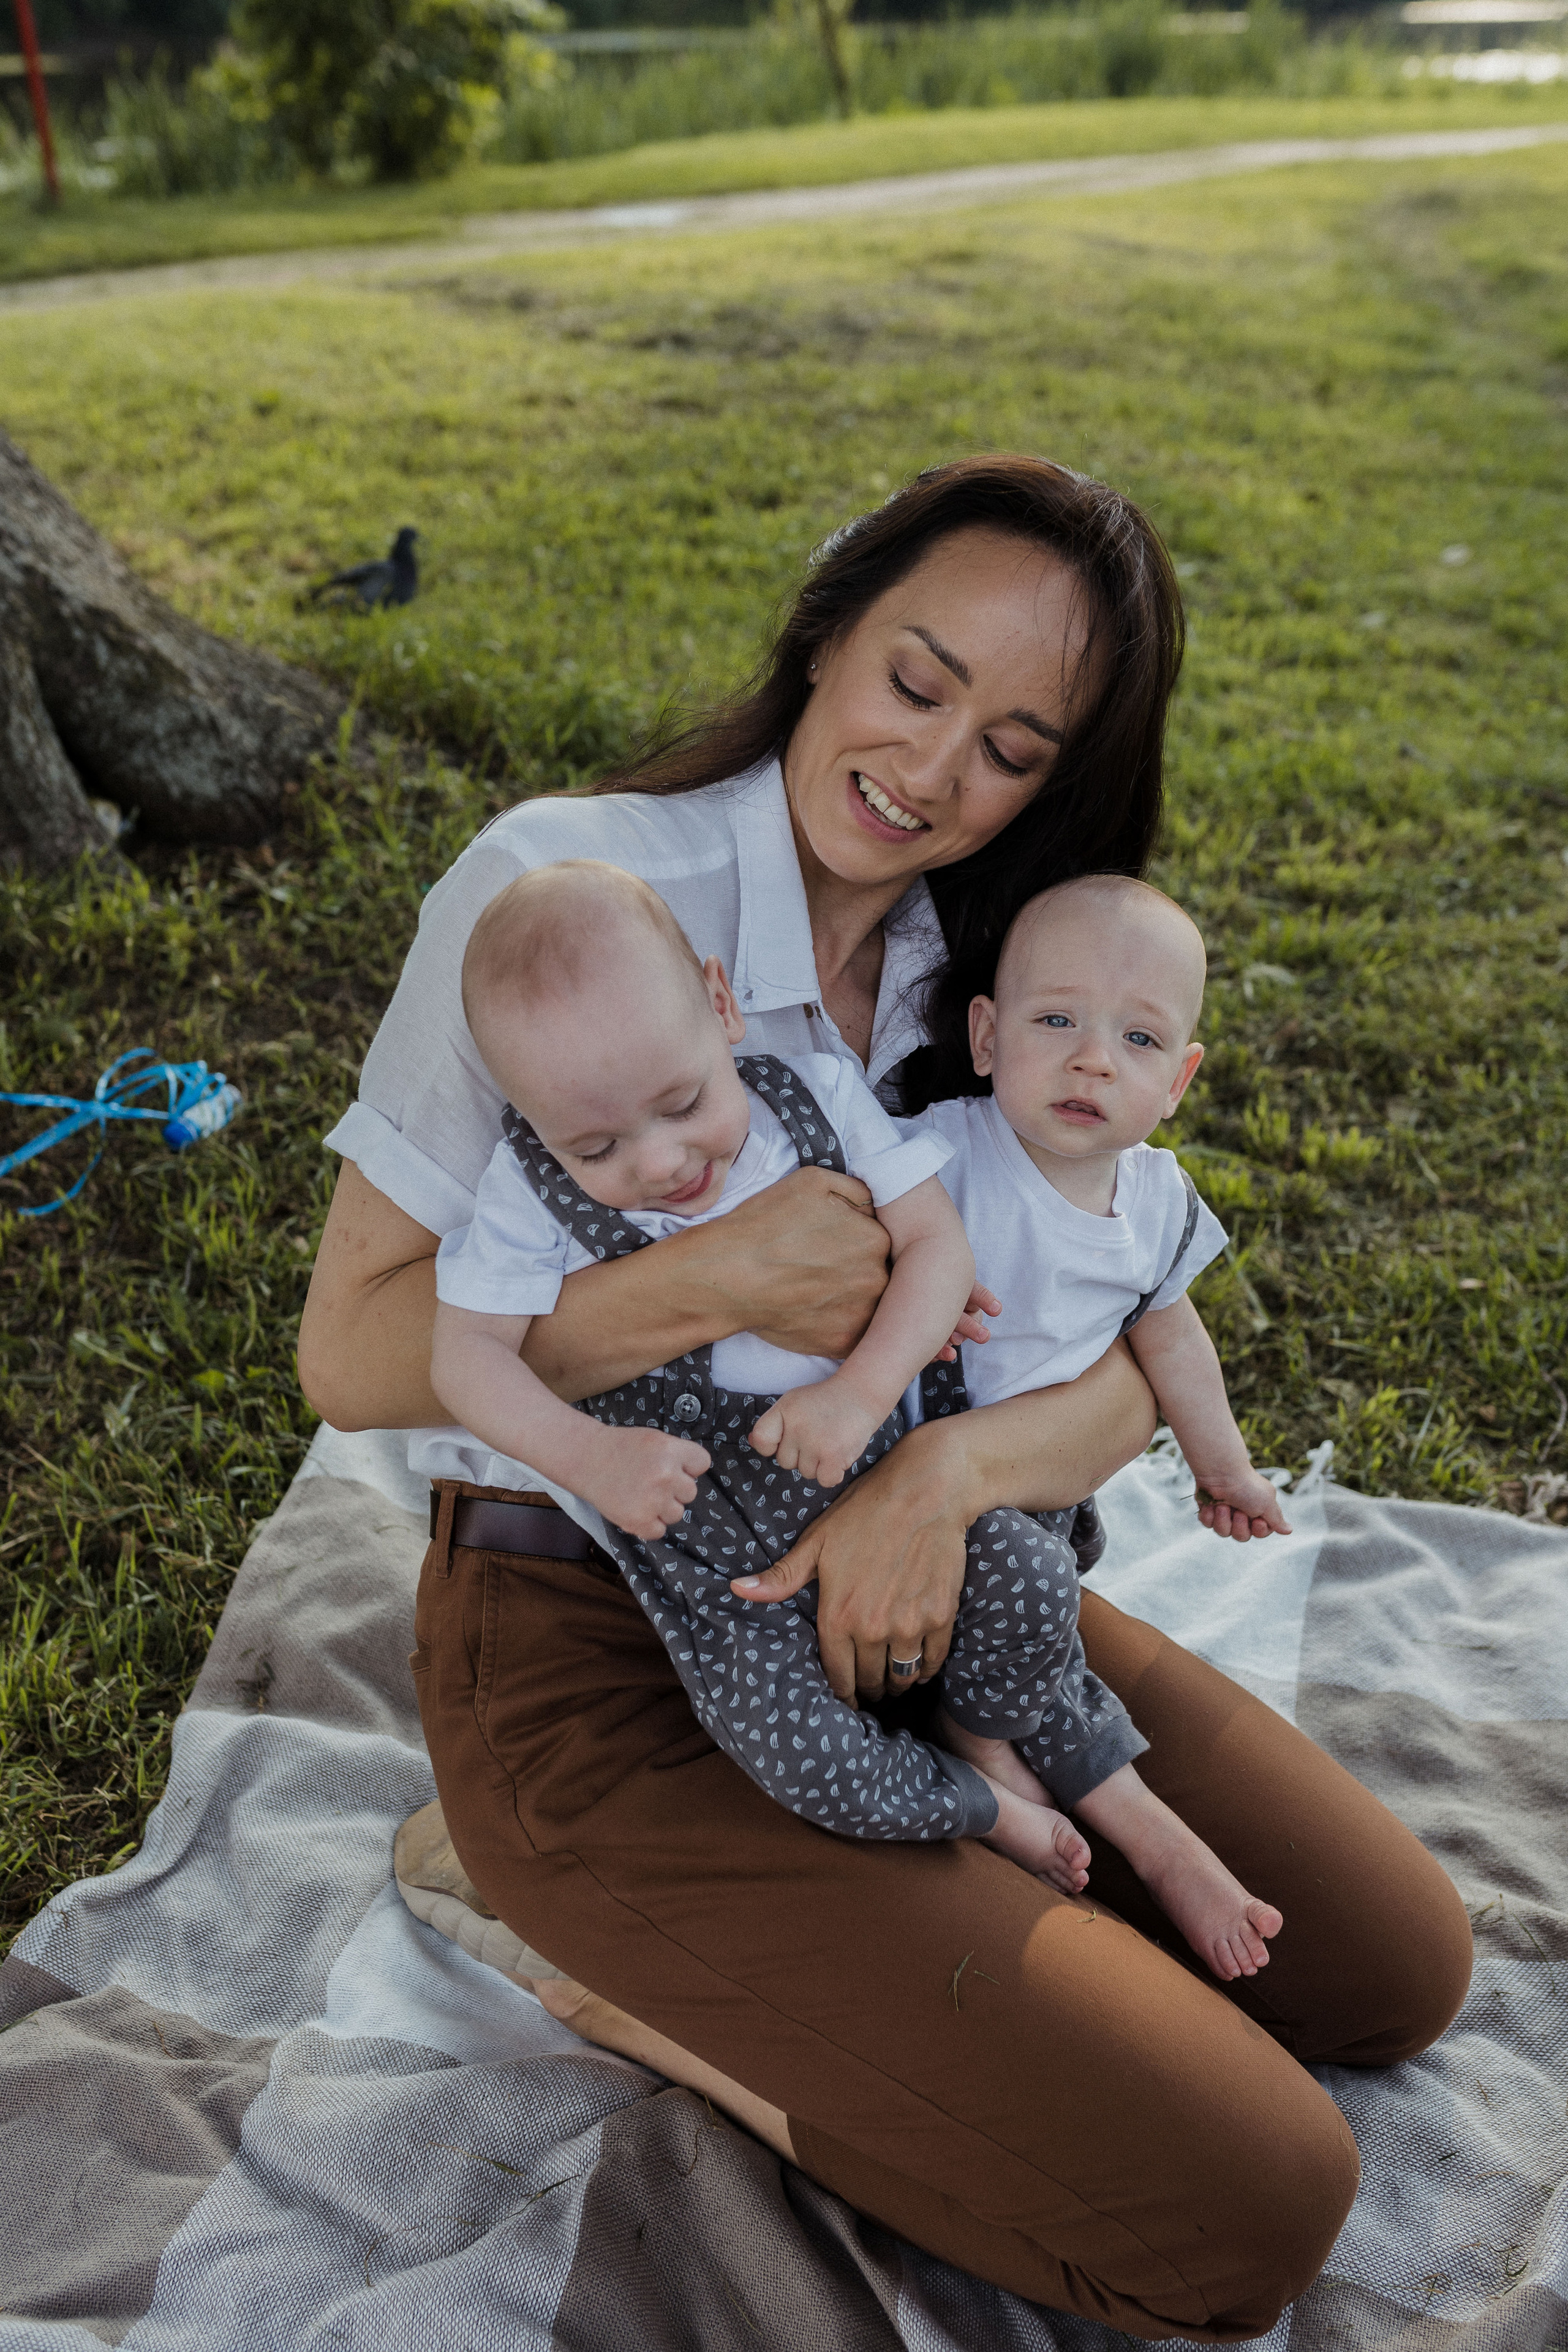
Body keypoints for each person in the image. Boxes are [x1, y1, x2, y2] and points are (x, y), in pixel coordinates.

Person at [298, 456, 1471, 2342]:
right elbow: (350, 1356)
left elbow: (1119, 1365)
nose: (931, 770)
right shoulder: (564, 895)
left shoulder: (987, 980)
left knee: (1392, 1969)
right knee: (1251, 2213)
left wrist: (935, 1488)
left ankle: (941, 1909)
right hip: (605, 1644)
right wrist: (714, 1281)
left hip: (921, 1578)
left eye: (1010, 747)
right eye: (917, 682)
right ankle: (616, 1956)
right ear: (830, 626)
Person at [429, 856, 1123, 1887]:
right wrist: (588, 1457)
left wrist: (860, 1392)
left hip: (887, 1482)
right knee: (797, 1756)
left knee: (1032, 1579)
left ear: (721, 1006)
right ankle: (973, 1807)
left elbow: (938, 1251)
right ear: (531, 1119)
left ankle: (989, 1733)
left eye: (682, 1102)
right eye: (596, 1146)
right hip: (733, 1578)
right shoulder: (527, 1192)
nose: (661, 1163)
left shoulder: (814, 1098)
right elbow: (464, 1357)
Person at [908, 869, 1300, 1982]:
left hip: (1042, 1501)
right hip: (920, 1495)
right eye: (1057, 1022)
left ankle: (1101, 1800)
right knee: (1031, 1611)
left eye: (1137, 1040)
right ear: (986, 1036)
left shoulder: (1158, 1202)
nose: (1093, 1062)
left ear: (1178, 1080)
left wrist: (1225, 1470)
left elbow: (1176, 1343)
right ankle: (1023, 1763)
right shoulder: (942, 1156)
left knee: (1042, 1608)